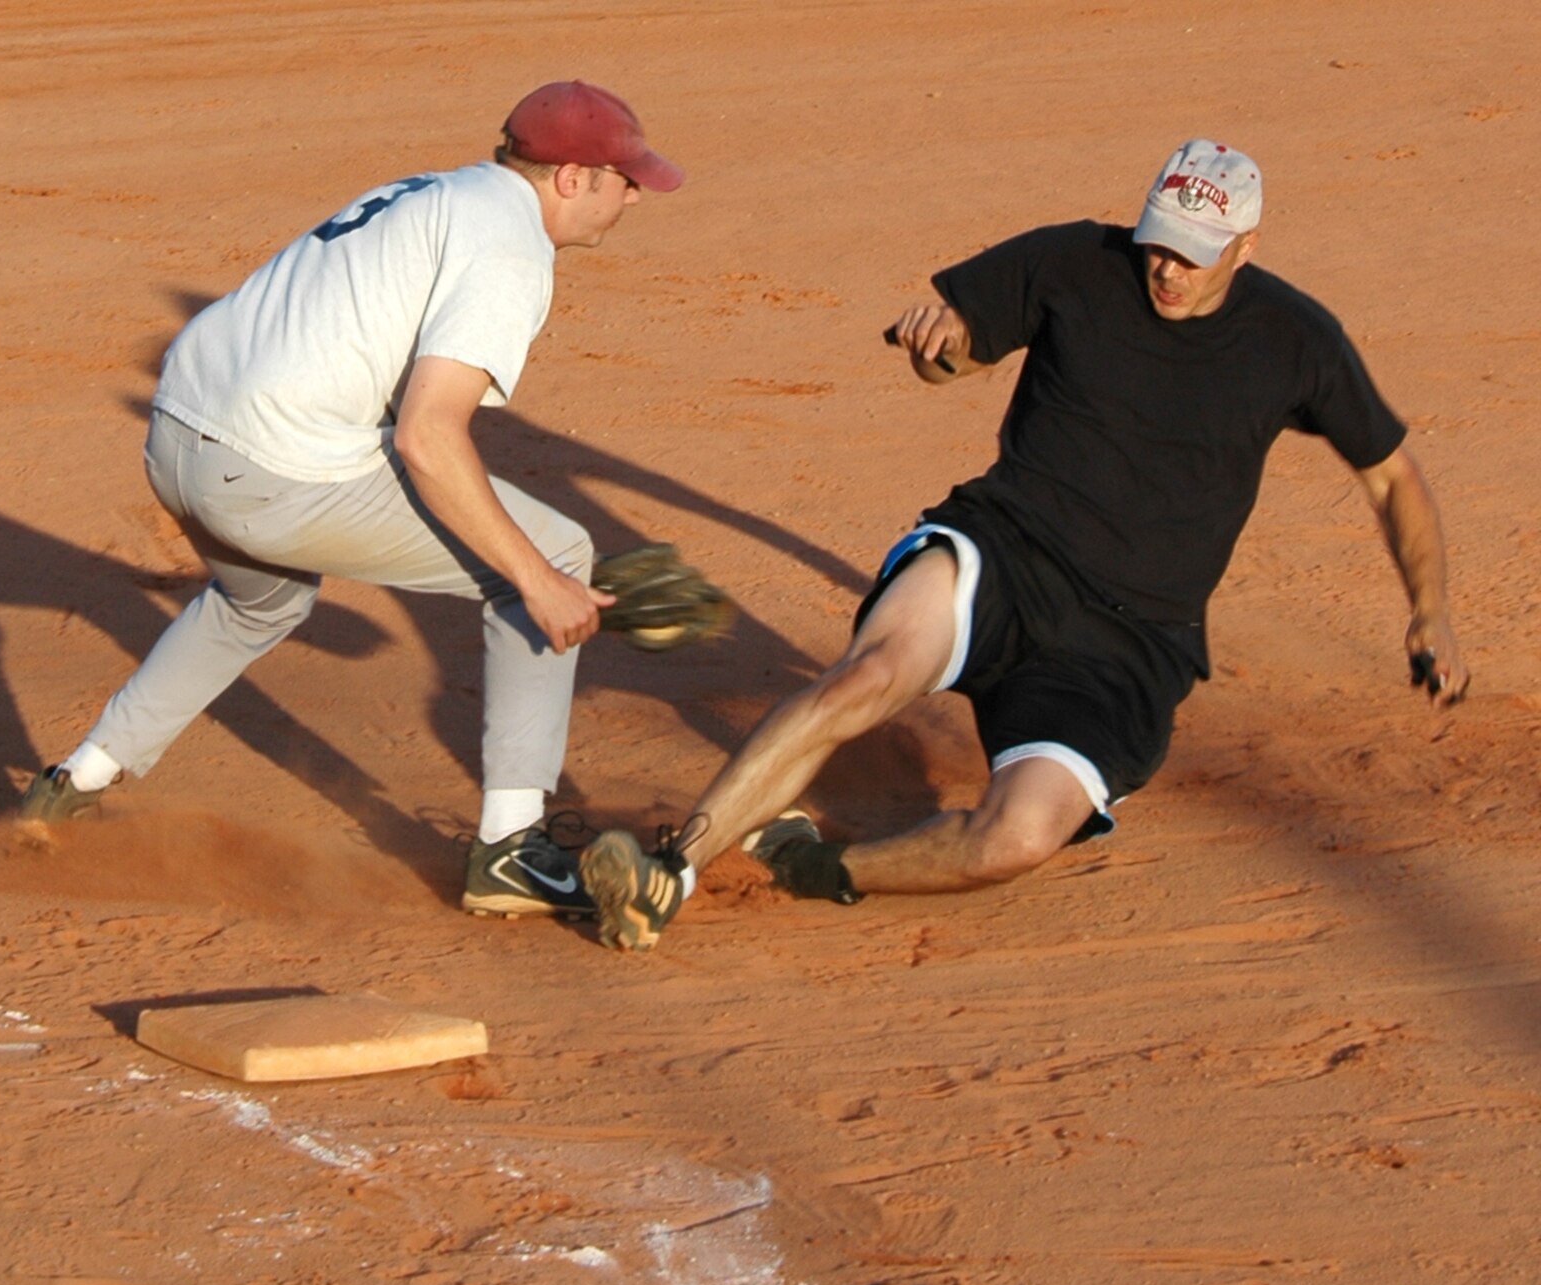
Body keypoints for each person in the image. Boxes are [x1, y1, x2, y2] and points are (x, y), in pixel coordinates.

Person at [580, 138, 1468, 952]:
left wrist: (1430, 613)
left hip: (1130, 644)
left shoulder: (1297, 340)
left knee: (1019, 835)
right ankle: (674, 867)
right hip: (1002, 554)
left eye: (1192, 254)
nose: (1166, 268)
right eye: (1159, 243)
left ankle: (811, 866)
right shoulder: (1076, 261)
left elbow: (1392, 475)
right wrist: (938, 345)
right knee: (864, 678)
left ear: (1246, 245)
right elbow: (954, 355)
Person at [17, 81, 684, 918]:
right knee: (549, 557)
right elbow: (428, 437)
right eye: (625, 178)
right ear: (572, 177)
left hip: (176, 437)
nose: (632, 196)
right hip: (265, 473)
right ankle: (511, 852)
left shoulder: (434, 190)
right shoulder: (511, 248)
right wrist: (540, 579)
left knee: (259, 600)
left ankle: (76, 780)